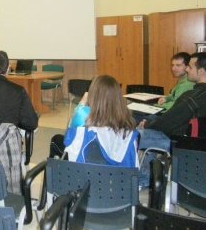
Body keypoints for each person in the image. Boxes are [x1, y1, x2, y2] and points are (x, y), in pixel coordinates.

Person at [138, 52, 206, 187]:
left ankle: (146, 179)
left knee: (134, 136)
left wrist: (148, 124)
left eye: (190, 67)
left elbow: (167, 123)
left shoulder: (193, 97)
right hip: (196, 145)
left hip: (181, 142)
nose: (187, 69)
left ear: (201, 71)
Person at [58, 75, 139, 167]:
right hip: (117, 178)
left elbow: (69, 138)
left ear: (92, 94)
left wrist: (81, 104)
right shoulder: (126, 119)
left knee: (56, 140)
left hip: (84, 175)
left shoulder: (83, 115)